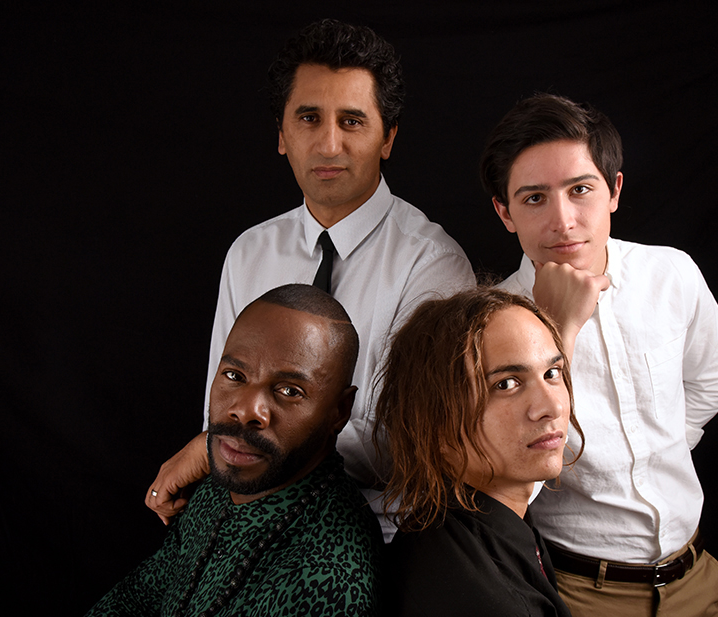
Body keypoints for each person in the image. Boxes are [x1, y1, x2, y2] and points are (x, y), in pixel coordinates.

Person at [144, 19, 474, 531]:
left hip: (376, 542)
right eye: (309, 118)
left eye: (352, 121)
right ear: (281, 134)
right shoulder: (250, 252)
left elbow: (413, 445)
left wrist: (223, 449)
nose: (328, 144)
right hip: (245, 524)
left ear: (388, 137)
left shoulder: (432, 264)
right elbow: (221, 407)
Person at [479, 94, 718, 617]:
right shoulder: (489, 320)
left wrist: (658, 446)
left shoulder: (671, 274)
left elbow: (716, 374)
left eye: (580, 190)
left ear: (615, 190)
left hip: (691, 587)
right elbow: (504, 468)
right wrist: (557, 328)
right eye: (534, 198)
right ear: (504, 212)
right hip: (576, 596)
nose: (563, 220)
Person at [21, 285, 382, 617]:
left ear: (339, 411)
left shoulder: (319, 584)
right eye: (234, 375)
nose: (245, 410)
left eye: (289, 391)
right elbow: (136, 601)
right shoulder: (227, 482)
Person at [377, 287, 595, 617]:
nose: (551, 406)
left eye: (552, 373)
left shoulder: (447, 530)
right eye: (507, 384)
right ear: (434, 419)